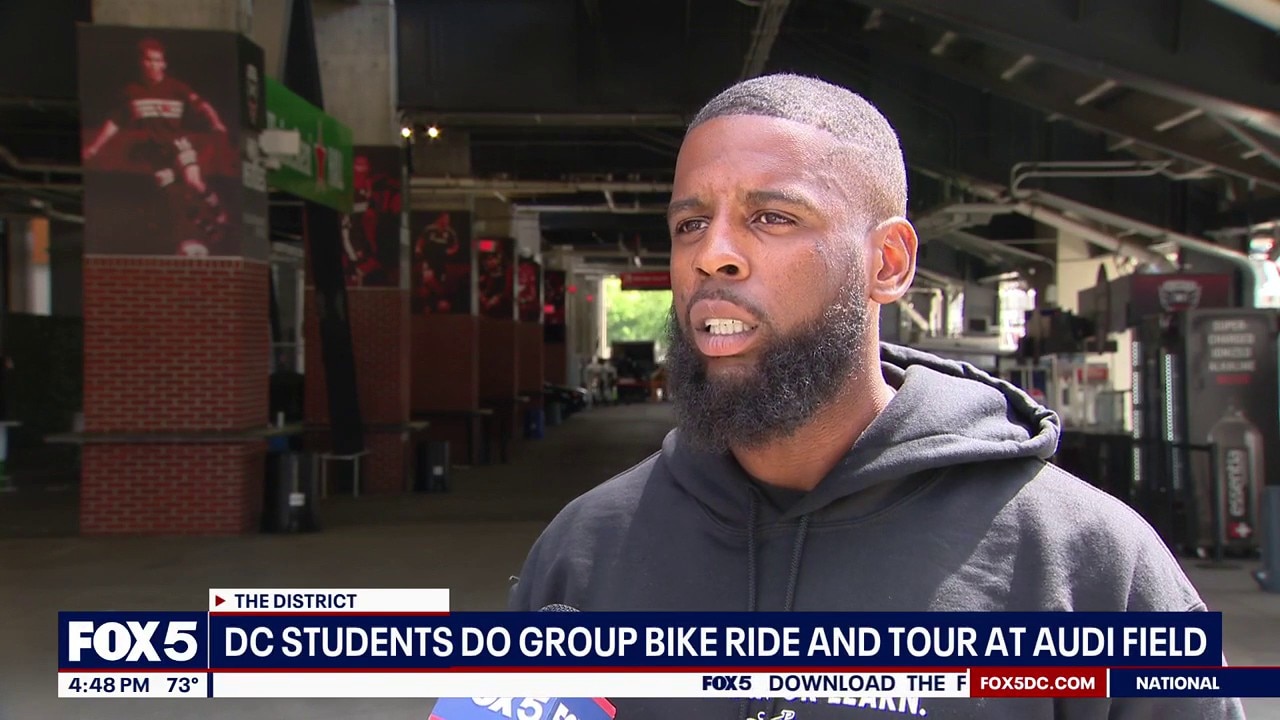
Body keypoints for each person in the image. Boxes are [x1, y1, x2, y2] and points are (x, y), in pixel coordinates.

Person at [507, 74, 1244, 719]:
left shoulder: (1085, 563)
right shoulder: (584, 553)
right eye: (690, 224)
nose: (711, 254)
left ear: (887, 263)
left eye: (772, 217)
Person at [82, 38, 230, 257]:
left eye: (157, 60)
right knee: (174, 198)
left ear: (164, 64)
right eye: (148, 60)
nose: (153, 65)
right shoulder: (131, 92)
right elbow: (114, 122)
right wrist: (94, 147)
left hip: (178, 144)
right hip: (155, 153)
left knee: (192, 181)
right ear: (142, 63)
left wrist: (216, 122)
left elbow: (202, 105)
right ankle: (207, 230)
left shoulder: (175, 87)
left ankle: (218, 210)